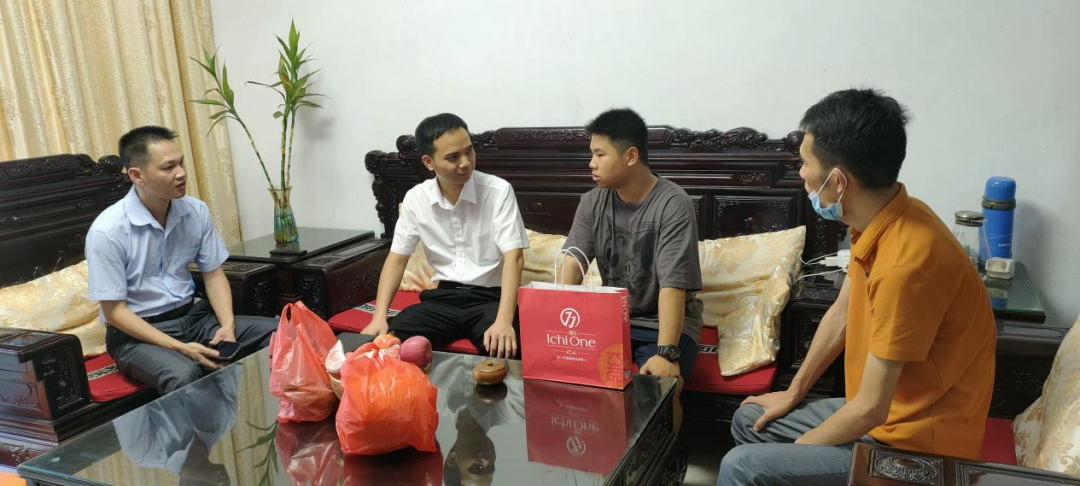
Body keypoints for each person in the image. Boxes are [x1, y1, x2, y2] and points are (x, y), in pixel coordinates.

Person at [718, 89, 996, 485]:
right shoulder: (883, 217)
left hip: (917, 448)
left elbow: (870, 409)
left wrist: (795, 456)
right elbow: (842, 313)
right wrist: (793, 392)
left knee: (743, 465)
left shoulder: (906, 266)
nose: (801, 173)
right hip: (888, 416)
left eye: (805, 162)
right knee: (750, 419)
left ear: (838, 181)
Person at [87, 126, 277, 394]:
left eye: (181, 163)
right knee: (184, 373)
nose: (181, 173)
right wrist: (180, 348)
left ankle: (277, 416)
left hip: (195, 319)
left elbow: (213, 273)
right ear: (137, 175)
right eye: (168, 167)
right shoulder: (108, 231)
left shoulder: (195, 211)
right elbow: (114, 311)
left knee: (284, 334)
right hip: (137, 337)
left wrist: (227, 325)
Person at [559, 108, 703, 425]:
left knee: (659, 392)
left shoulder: (673, 204)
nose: (591, 163)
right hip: (610, 319)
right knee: (568, 384)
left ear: (631, 156)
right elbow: (572, 263)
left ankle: (665, 454)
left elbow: (672, 284)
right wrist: (561, 329)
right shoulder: (592, 202)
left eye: (600, 154)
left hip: (660, 324)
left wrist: (667, 354)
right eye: (591, 154)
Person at [361, 113, 529, 359]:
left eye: (469, 151)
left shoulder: (498, 191)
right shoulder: (417, 199)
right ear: (429, 162)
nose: (466, 163)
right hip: (442, 300)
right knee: (386, 348)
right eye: (453, 157)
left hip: (490, 300)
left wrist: (504, 321)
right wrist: (379, 317)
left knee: (508, 350)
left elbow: (514, 257)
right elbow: (397, 260)